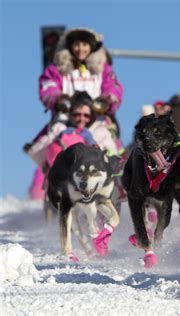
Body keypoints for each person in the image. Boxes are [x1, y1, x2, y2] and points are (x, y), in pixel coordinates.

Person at [29, 28, 123, 199]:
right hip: (66, 119)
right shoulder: (57, 68)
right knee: (49, 141)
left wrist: (107, 100)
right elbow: (48, 87)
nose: (81, 49)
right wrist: (57, 99)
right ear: (70, 46)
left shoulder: (103, 69)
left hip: (94, 117)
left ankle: (115, 181)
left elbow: (114, 88)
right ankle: (53, 175)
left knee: (109, 142)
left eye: (85, 45)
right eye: (77, 44)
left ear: (92, 47)